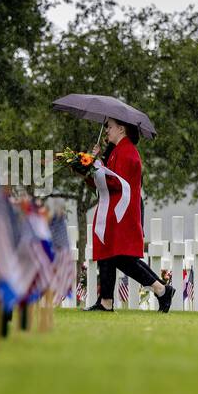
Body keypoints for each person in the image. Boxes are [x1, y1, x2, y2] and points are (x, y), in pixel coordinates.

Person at [76, 116, 175, 312]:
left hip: (123, 210)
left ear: (121, 129)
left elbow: (116, 183)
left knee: (121, 257)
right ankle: (106, 301)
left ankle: (161, 290)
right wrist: (89, 169)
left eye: (110, 127)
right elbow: (105, 182)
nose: (106, 130)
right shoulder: (118, 151)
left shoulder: (127, 153)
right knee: (108, 253)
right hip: (114, 208)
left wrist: (95, 167)